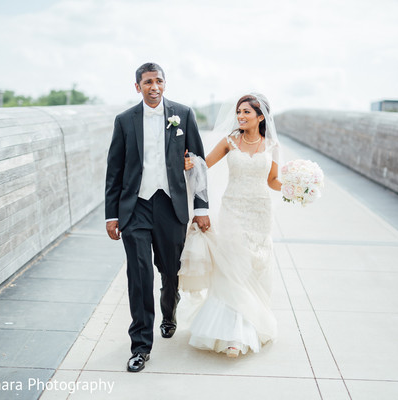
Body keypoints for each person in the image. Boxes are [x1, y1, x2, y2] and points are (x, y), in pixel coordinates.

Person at [105, 62, 210, 372]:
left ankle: (169, 312)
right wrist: (111, 215)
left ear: (165, 84)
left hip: (171, 205)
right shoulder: (124, 121)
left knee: (169, 270)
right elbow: (115, 170)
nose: (154, 87)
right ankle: (140, 346)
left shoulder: (183, 114)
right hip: (135, 207)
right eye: (148, 82)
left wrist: (201, 207)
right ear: (137, 87)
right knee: (139, 276)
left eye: (159, 81)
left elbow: (199, 162)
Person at [182, 93, 282, 357]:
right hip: (232, 210)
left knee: (254, 267)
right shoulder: (229, 142)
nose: (240, 116)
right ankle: (233, 336)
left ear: (261, 117)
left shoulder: (272, 145)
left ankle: (249, 326)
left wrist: (295, 186)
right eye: (239, 112)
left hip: (259, 211)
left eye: (247, 112)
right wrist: (188, 162)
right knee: (232, 268)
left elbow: (273, 180)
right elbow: (203, 164)